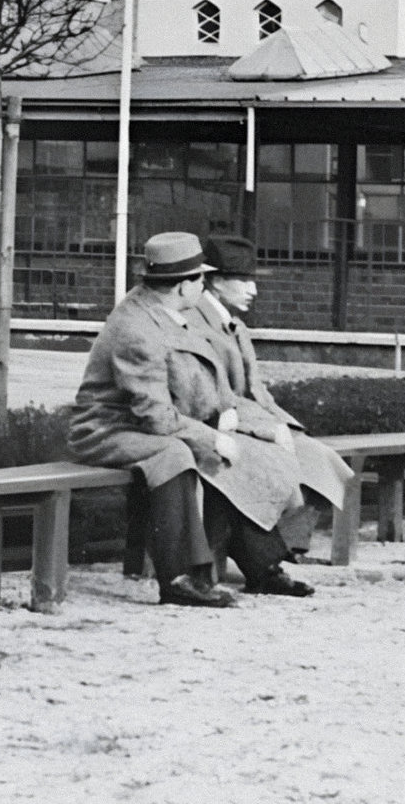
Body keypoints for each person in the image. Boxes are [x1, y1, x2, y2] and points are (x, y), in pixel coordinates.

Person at [67, 232, 314, 607]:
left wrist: (231, 425)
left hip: (142, 426)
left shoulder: (159, 311)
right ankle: (181, 579)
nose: (205, 285)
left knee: (224, 453)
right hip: (105, 430)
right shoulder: (138, 328)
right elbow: (155, 416)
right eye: (201, 278)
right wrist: (210, 438)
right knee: (178, 455)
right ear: (183, 287)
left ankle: (262, 568)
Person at [194, 233, 355, 553]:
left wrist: (284, 424)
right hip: (219, 425)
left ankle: (289, 547)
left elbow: (256, 389)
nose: (253, 290)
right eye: (243, 280)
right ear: (215, 281)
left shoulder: (233, 323)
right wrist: (267, 428)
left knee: (322, 459)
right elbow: (214, 394)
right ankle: (267, 553)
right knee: (275, 464)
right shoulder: (199, 322)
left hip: (247, 421)